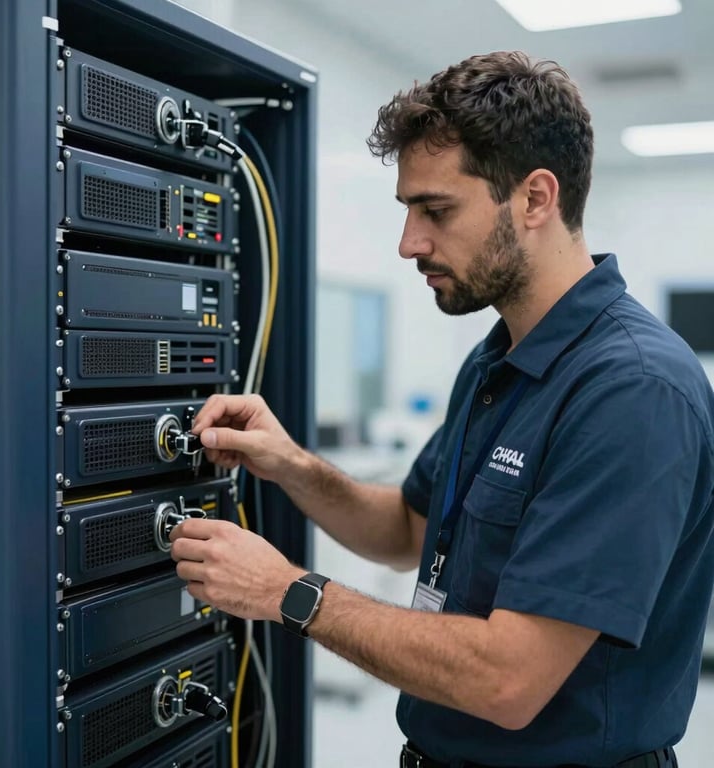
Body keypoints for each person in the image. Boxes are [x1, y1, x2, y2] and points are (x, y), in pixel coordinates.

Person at [169, 51, 714, 768]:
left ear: (535, 199)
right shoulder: (499, 361)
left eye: (436, 210)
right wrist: (292, 465)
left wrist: (286, 591)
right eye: (408, 211)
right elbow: (408, 529)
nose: (409, 244)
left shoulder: (632, 390)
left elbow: (508, 680)